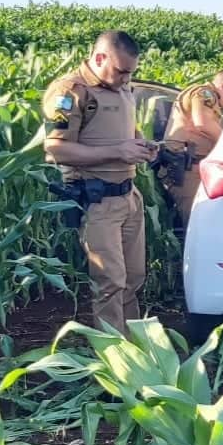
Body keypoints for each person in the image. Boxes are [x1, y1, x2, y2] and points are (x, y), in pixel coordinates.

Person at [41, 30, 157, 335]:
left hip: (129, 196)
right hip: (98, 201)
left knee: (133, 279)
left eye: (131, 72)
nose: (125, 78)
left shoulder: (122, 87)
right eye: (121, 71)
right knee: (110, 283)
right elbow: (55, 149)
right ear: (100, 57)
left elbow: (125, 128)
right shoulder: (70, 92)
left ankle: (134, 349)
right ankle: (113, 358)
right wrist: (118, 152)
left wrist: (140, 143)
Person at [159, 71, 223, 227]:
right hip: (186, 170)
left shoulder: (213, 102)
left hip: (192, 168)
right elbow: (202, 122)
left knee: (204, 221)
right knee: (196, 225)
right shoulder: (204, 93)